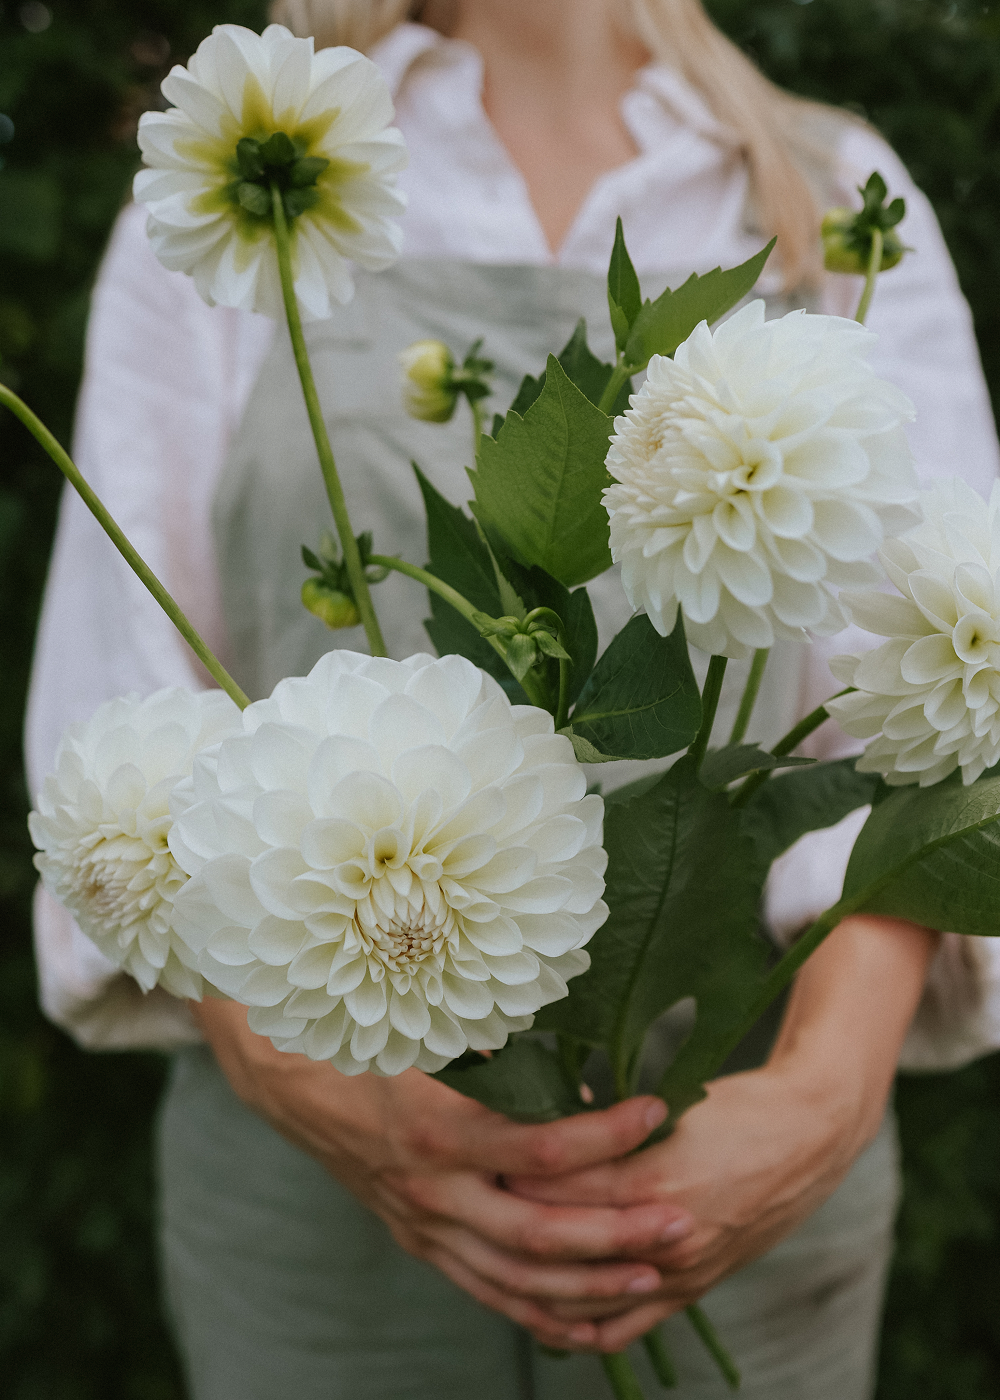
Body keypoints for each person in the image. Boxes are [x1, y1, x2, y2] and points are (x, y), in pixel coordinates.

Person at [24, 1, 1000, 1396]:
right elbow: (116, 703)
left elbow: (943, 684)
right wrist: (317, 1089)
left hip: (737, 1165)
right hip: (321, 1189)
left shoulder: (830, 191)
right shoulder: (225, 182)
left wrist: (819, 1106)